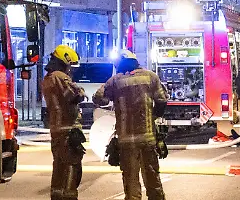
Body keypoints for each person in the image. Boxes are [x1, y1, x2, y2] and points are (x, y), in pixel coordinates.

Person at [93, 50, 168, 200]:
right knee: (153, 179)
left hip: (126, 141)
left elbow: (99, 99)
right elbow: (162, 100)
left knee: (131, 181)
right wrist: (153, 116)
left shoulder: (115, 81)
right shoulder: (150, 77)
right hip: (148, 138)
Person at [43, 44, 87, 200]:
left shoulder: (47, 79)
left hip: (56, 130)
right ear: (64, 61)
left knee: (59, 169)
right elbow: (75, 95)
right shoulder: (60, 77)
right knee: (71, 168)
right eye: (70, 66)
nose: (71, 70)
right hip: (68, 131)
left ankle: (57, 196)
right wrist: (81, 91)